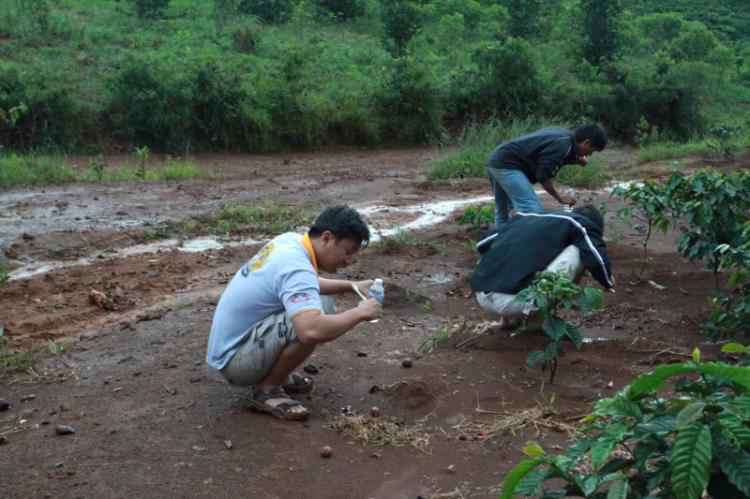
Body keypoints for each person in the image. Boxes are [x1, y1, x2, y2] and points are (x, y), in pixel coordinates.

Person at [205, 205, 382, 421]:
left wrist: (353, 285)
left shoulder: (292, 241)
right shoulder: (296, 265)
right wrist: (360, 313)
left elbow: (305, 284)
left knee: (317, 301)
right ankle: (267, 389)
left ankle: (276, 374)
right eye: (348, 251)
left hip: (234, 348)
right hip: (235, 362)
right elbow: (310, 331)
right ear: (326, 238)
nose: (349, 260)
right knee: (310, 320)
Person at [469, 204, 614, 328]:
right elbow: (596, 258)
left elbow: (482, 244)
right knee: (581, 250)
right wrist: (607, 281)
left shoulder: (526, 217)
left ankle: (505, 320)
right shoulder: (581, 224)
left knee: (513, 248)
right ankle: (536, 321)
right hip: (515, 304)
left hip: (482, 295)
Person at [486, 124, 608, 228]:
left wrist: (575, 160)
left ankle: (498, 243)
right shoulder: (563, 145)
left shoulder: (562, 136)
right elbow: (543, 176)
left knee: (503, 208)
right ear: (586, 143)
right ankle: (529, 248)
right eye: (592, 151)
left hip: (496, 159)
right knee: (533, 210)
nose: (590, 154)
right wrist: (559, 197)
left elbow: (546, 157)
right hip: (508, 166)